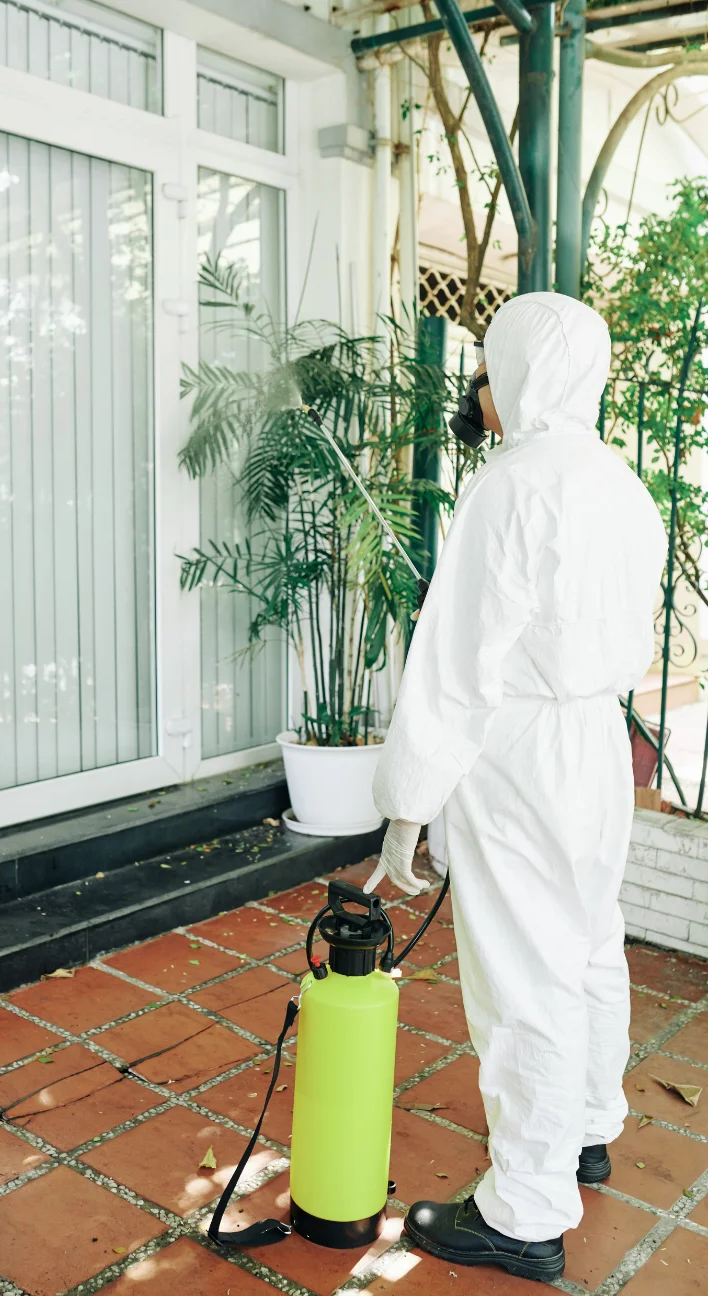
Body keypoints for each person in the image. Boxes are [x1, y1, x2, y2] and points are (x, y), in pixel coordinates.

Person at [365, 293, 667, 1283]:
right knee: (586, 945)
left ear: (526, 374)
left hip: (524, 749)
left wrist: (406, 805)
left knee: (521, 972)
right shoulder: (623, 485)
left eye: (488, 374)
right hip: (595, 740)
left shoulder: (512, 485)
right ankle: (585, 1126)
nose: (481, 395)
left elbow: (457, 667)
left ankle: (525, 1212)